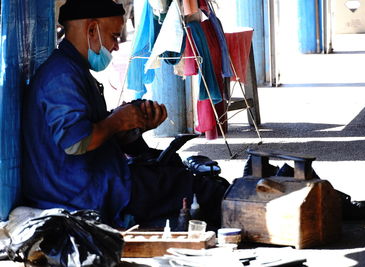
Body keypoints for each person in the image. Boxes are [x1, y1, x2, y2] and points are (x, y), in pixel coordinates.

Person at [22, 0, 227, 230]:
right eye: (114, 36)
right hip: (80, 192)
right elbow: (77, 141)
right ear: (91, 30)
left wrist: (129, 127)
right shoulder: (61, 75)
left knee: (175, 171)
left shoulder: (72, 70)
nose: (116, 46)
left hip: (92, 180)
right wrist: (118, 120)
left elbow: (95, 131)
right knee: (203, 190)